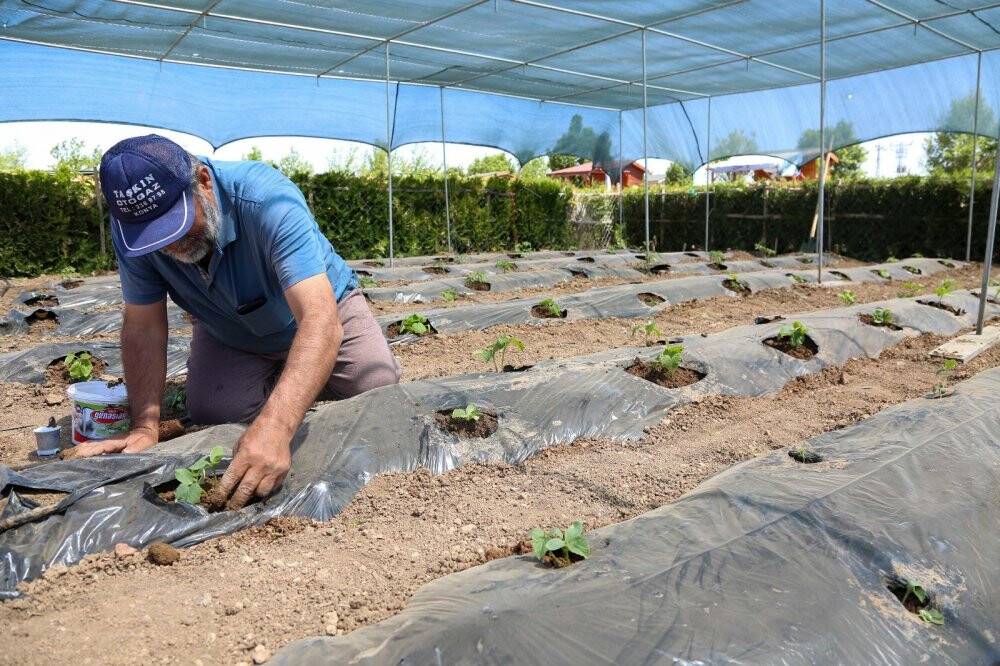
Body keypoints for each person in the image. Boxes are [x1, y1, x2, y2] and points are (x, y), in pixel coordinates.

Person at [77, 134, 400, 508]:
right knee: (214, 412)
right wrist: (144, 426)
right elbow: (143, 327)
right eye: (152, 236)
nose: (168, 244)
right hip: (228, 329)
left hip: (321, 312)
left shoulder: (267, 200)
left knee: (376, 385)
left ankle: (297, 380)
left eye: (174, 223)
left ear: (203, 181)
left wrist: (277, 427)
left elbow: (319, 318)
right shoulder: (132, 234)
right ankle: (292, 379)